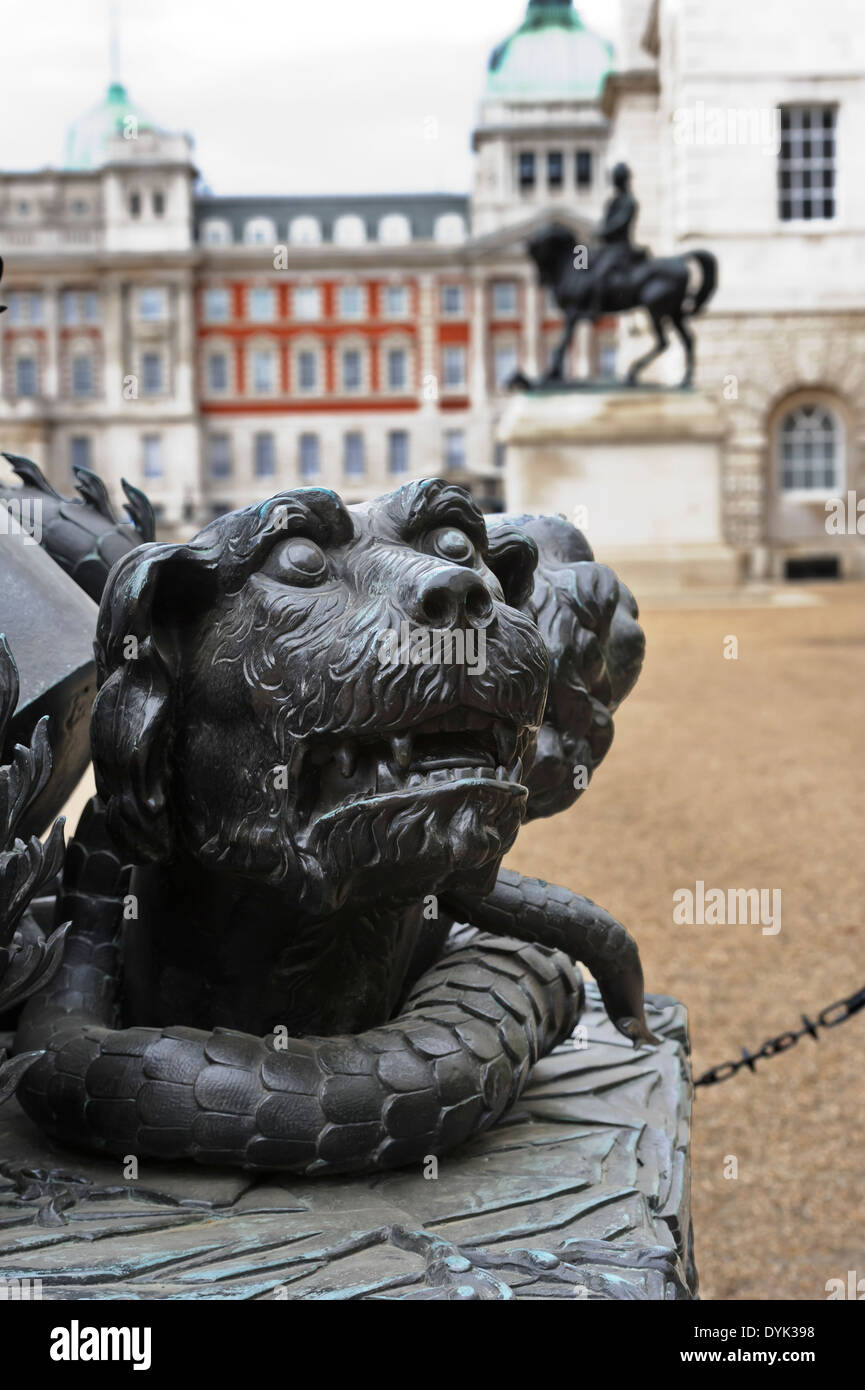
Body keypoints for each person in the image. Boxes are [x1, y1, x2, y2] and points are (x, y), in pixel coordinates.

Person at [588, 163, 640, 318]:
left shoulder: (629, 201)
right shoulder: (614, 201)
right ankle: (581, 298)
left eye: (616, 179)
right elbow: (605, 221)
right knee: (582, 263)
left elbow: (619, 224)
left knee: (600, 273)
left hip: (619, 248)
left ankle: (594, 307)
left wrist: (603, 232)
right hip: (606, 247)